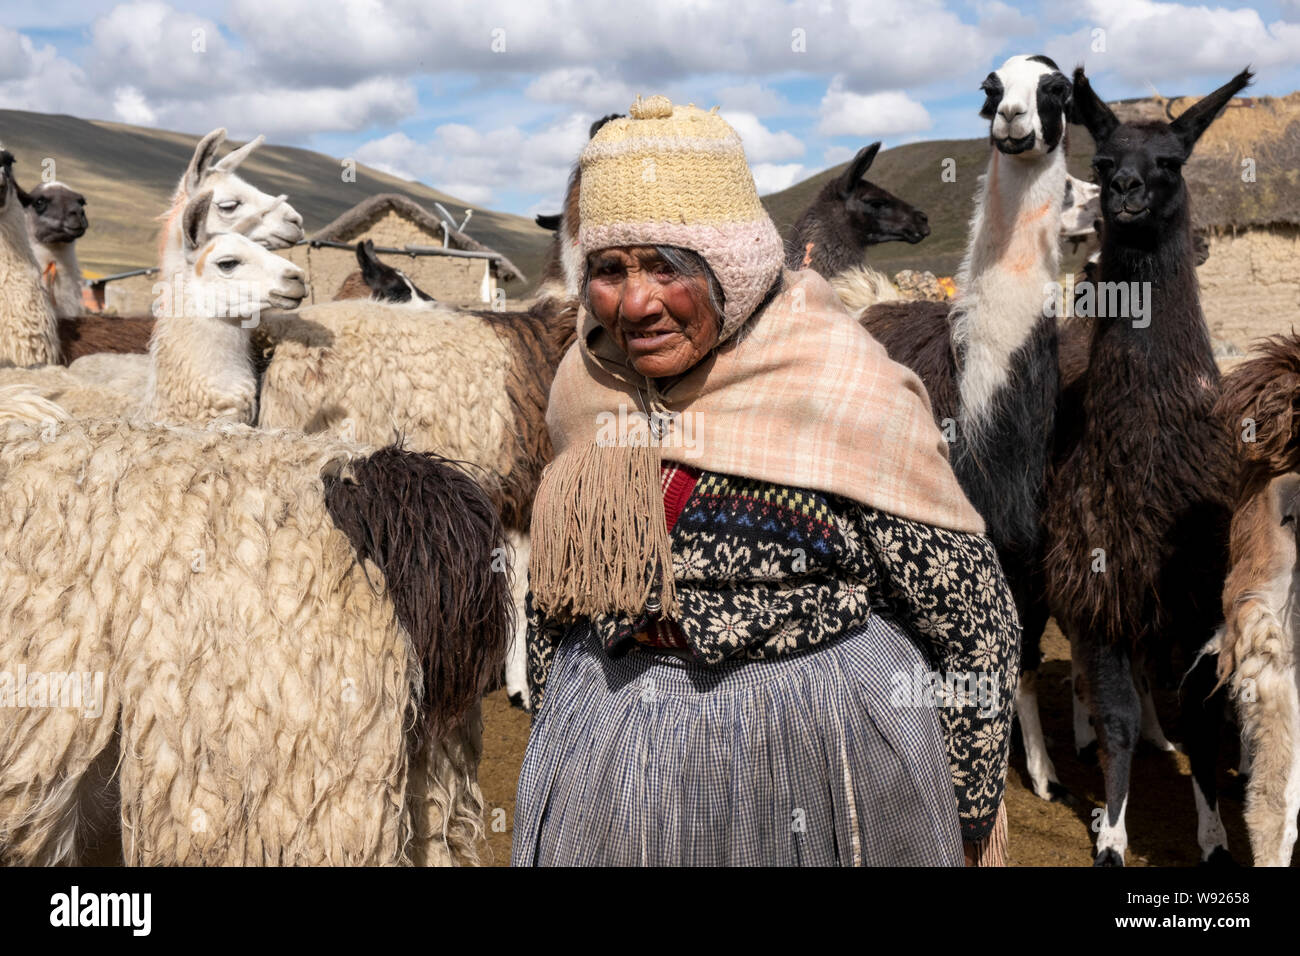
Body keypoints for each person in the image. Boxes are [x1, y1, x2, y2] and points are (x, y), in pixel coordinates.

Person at [512, 95, 1019, 866]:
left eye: (667, 266)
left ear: (735, 264)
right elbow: (556, 597)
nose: (635, 302)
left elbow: (974, 620)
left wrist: (972, 813)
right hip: (612, 759)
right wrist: (557, 738)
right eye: (609, 270)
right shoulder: (587, 388)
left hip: (817, 756)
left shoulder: (838, 384)